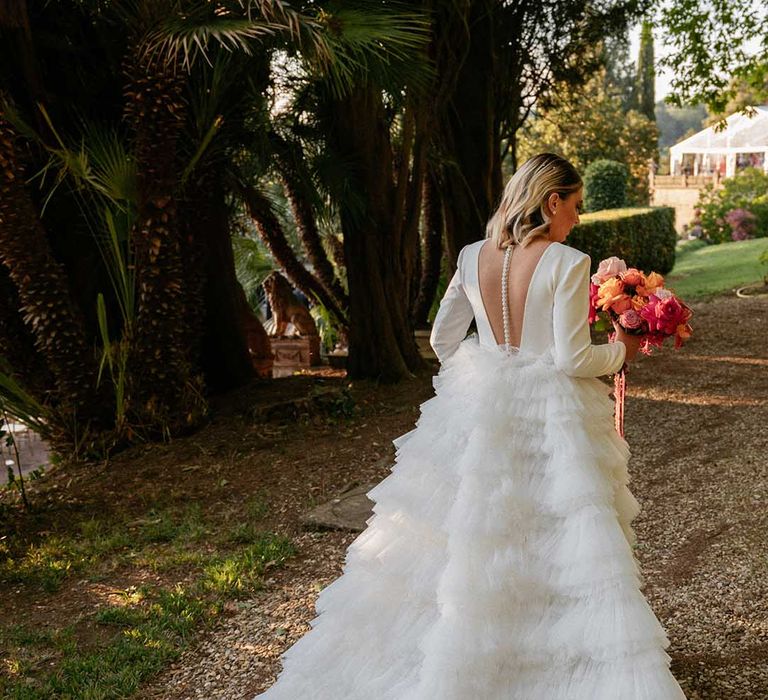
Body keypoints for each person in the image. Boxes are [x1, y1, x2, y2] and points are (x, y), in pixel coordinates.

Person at [253, 153, 687, 699]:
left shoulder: (469, 257)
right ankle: (549, 662)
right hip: (549, 411)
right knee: (554, 532)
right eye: (575, 207)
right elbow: (573, 360)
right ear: (551, 202)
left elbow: (441, 341)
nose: (577, 218)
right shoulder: (567, 262)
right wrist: (619, 351)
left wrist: (486, 368)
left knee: (472, 532)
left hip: (479, 402)